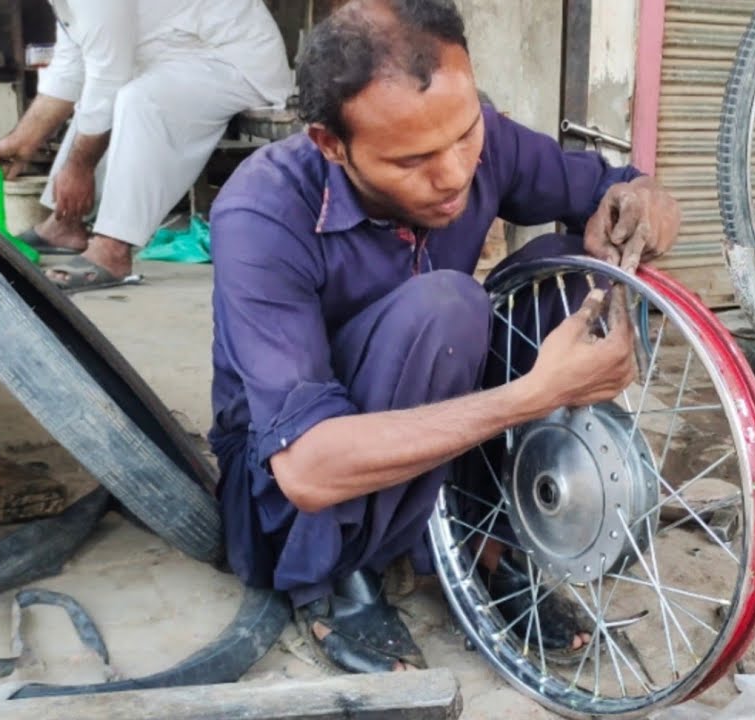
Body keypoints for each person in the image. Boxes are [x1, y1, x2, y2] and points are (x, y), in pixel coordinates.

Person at [208, 0, 681, 674]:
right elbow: (307, 469)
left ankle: (484, 531)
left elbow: (614, 190)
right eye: (413, 160)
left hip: (425, 398)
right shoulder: (261, 212)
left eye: (465, 136)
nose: (455, 173)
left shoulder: (474, 133)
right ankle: (343, 575)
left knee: (572, 266)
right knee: (446, 309)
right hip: (288, 482)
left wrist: (643, 204)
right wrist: (533, 394)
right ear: (330, 144)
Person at [0, 0, 292, 293]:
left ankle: (113, 249)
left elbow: (106, 77)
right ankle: (65, 224)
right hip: (181, 51)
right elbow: (71, 66)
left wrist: (80, 168)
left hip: (234, 60)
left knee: (139, 99)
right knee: (104, 97)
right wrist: (21, 140)